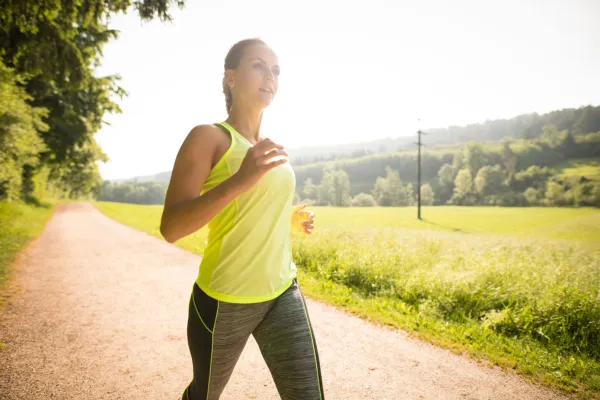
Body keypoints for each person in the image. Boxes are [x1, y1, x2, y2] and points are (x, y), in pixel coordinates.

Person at [159, 38, 325, 400]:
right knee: (203, 395)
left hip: (282, 291)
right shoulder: (209, 137)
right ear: (230, 77)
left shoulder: (267, 145)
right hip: (223, 300)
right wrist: (240, 179)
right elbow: (171, 227)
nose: (270, 76)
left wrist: (288, 220)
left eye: (276, 70)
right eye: (259, 66)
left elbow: (256, 206)